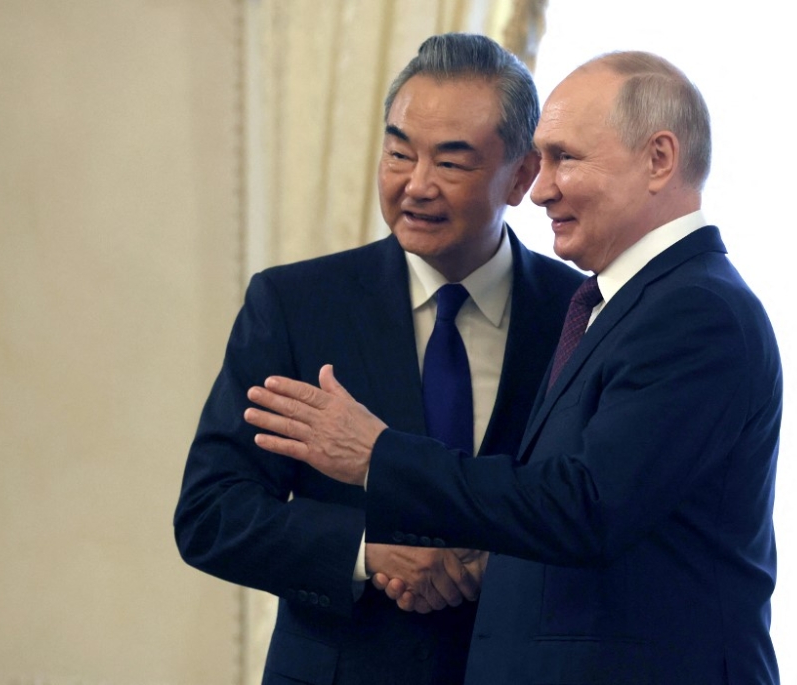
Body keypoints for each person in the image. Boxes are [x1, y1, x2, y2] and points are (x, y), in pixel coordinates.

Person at [244, 50, 782, 684]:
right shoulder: (622, 302)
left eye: (565, 158)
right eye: (399, 153)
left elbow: (585, 507)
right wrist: (483, 563)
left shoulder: (695, 311)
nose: (542, 189)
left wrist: (378, 457)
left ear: (659, 159)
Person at [173, 33, 584, 685]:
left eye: (451, 162)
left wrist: (493, 564)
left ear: (522, 175)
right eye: (398, 153)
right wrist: (366, 553)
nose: (415, 185)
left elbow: (590, 510)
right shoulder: (297, 304)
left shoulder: (579, 315)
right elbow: (211, 512)